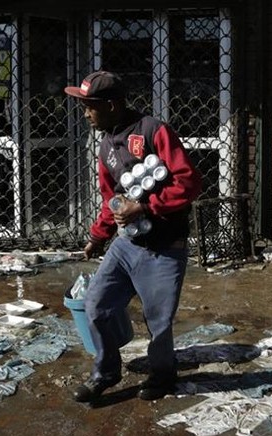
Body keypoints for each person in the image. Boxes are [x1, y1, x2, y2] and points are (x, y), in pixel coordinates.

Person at [63, 71, 202, 402]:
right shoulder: (106, 145)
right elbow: (110, 199)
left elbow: (190, 181)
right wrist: (97, 238)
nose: (85, 113)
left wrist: (145, 206)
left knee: (158, 323)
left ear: (110, 105)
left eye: (89, 106)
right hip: (126, 245)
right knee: (95, 304)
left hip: (165, 248)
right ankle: (106, 372)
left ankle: (163, 375)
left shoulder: (154, 131)